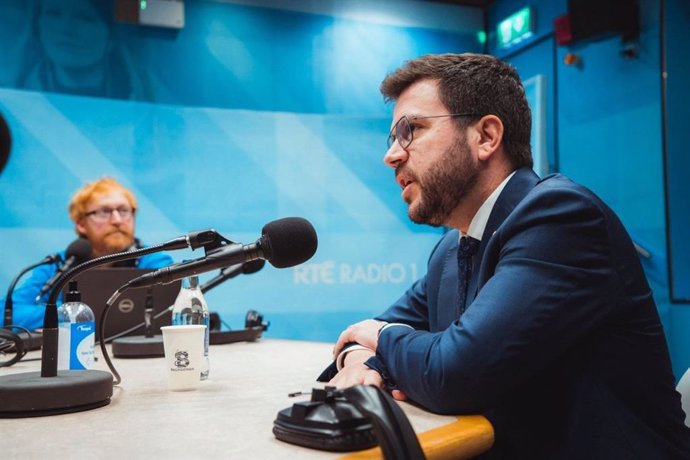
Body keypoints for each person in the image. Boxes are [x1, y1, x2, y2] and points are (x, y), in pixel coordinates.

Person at [320, 54, 690, 458]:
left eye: (412, 130)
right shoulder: (451, 247)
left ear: (486, 136)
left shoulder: (560, 218)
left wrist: (382, 340)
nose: (391, 155)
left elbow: (454, 374)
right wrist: (362, 356)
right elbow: (375, 330)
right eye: (391, 138)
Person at [1, 177, 172, 331]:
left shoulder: (153, 260)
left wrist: (65, 314)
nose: (117, 220)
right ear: (81, 224)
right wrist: (73, 311)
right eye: (104, 212)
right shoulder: (59, 264)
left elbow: (173, 308)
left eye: (124, 210)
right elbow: (6, 314)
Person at [18, 0, 151, 100]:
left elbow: (147, 5)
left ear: (111, 35)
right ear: (37, 26)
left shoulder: (150, 97)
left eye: (84, 17)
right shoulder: (16, 96)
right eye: (53, 13)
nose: (66, 29)